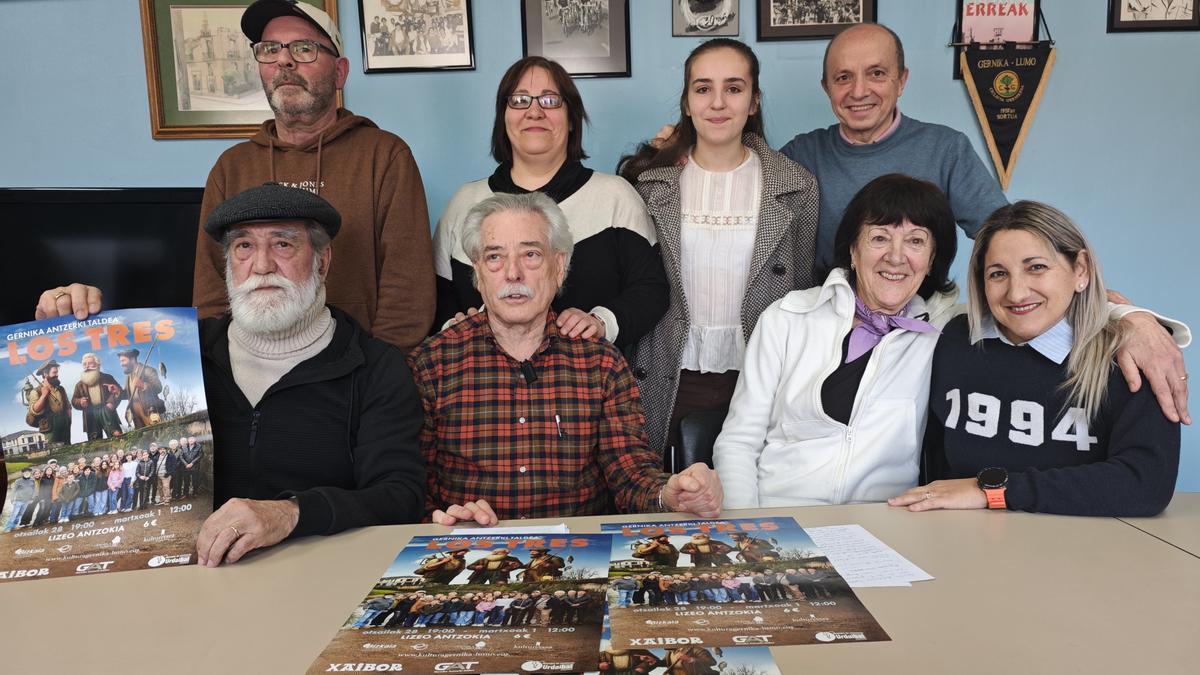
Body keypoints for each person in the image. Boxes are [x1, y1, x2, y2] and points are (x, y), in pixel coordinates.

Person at [37, 182, 425, 566]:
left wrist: (290, 513)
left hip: (319, 577)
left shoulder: (374, 366)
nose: (261, 265)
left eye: (283, 244)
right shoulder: (188, 352)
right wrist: (69, 324)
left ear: (322, 261)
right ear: (228, 266)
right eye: (244, 247)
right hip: (182, 575)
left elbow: (398, 495)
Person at [410, 193, 723, 525]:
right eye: (494, 257)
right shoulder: (432, 364)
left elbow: (631, 476)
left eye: (530, 254)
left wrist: (671, 493)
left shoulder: (601, 364)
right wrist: (441, 519)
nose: (513, 273)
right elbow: (411, 484)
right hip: (471, 553)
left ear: (558, 267)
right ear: (478, 272)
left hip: (579, 555)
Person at [891, 201, 1181, 517]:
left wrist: (992, 491)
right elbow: (932, 457)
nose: (1016, 293)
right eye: (998, 273)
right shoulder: (955, 341)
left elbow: (1146, 485)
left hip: (1086, 550)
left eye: (1036, 267)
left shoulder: (1132, 357)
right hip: (960, 540)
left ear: (1080, 269)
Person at [192, 0, 435, 352]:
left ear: (340, 73)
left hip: (358, 377)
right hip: (252, 378)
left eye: (304, 49)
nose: (284, 60)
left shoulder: (385, 156)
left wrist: (376, 374)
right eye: (270, 49)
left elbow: (408, 292)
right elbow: (211, 289)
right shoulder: (231, 167)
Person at [617, 39, 819, 458]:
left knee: (753, 505)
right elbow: (636, 287)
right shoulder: (649, 183)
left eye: (734, 88)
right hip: (668, 372)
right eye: (703, 88)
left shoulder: (796, 185)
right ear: (687, 103)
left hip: (761, 375)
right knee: (669, 502)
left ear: (754, 100)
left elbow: (800, 295)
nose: (718, 103)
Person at [714, 175, 958, 507]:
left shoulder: (940, 335)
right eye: (879, 238)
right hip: (782, 517)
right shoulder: (788, 317)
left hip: (885, 526)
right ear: (853, 251)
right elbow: (739, 441)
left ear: (931, 261)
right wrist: (747, 528)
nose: (896, 257)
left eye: (915, 241)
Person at [433, 56, 668, 350]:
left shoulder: (615, 197)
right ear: (503, 117)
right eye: (519, 100)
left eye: (550, 100)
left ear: (571, 119)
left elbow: (652, 289)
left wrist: (602, 322)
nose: (534, 112)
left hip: (591, 385)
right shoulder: (463, 203)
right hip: (484, 387)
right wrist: (452, 324)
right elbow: (436, 299)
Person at [70, 353, 123, 440]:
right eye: (84, 364)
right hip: (90, 414)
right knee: (94, 441)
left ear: (97, 365)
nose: (87, 366)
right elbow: (74, 400)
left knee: (116, 436)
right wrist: (80, 402)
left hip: (106, 411)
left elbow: (119, 391)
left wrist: (111, 402)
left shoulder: (107, 377)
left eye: (90, 363)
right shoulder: (79, 385)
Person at [26, 361, 71, 445]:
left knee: (67, 445)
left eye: (57, 372)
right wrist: (43, 395)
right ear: (46, 374)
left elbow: (68, 405)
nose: (57, 375)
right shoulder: (36, 392)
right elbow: (34, 411)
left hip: (64, 423)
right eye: (54, 373)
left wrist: (68, 420)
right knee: (54, 449)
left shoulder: (61, 389)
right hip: (49, 426)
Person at [118, 349, 164, 429]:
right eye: (120, 361)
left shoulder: (148, 370)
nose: (121, 364)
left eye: (123, 361)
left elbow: (158, 387)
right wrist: (117, 392)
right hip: (136, 415)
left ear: (132, 359)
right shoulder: (128, 376)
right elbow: (129, 394)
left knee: (157, 434)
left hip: (149, 411)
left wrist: (143, 385)